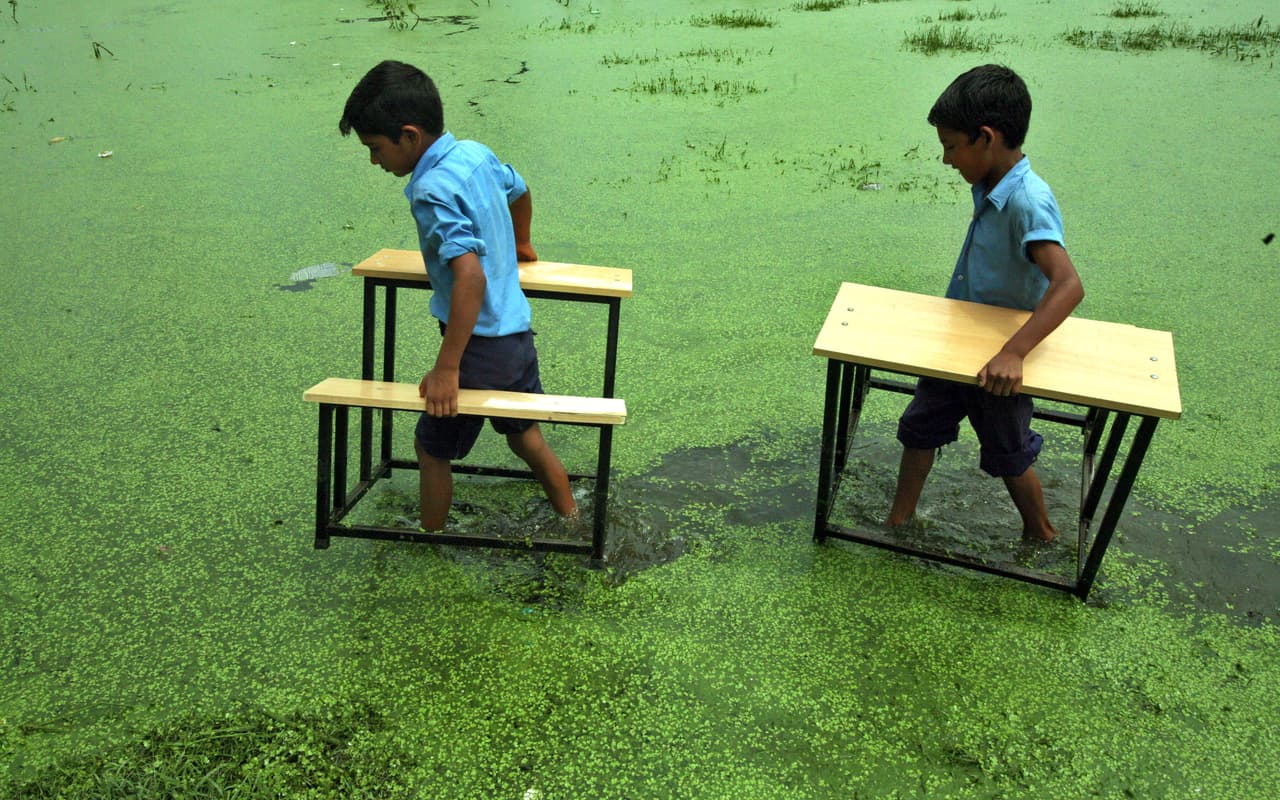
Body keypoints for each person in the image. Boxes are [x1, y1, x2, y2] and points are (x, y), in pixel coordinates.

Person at [339, 60, 576, 531]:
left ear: (409, 136)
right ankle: (574, 518)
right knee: (526, 438)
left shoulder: (429, 190)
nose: (373, 161)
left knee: (431, 448)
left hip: (478, 348)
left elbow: (469, 278)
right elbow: (520, 189)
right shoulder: (473, 153)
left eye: (375, 148)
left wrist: (448, 368)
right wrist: (522, 242)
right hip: (516, 337)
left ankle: (430, 537)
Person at [886, 64, 1084, 542]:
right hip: (956, 343)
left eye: (952, 147)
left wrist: (1013, 353)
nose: (947, 160)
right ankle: (898, 521)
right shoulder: (992, 186)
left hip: (998, 361)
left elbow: (1068, 284)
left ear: (986, 138)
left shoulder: (1027, 201)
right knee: (919, 427)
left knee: (1008, 453)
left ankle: (1041, 531)